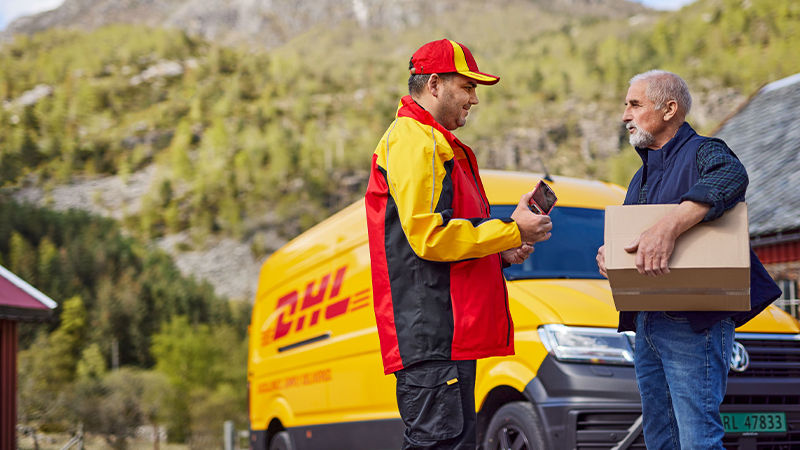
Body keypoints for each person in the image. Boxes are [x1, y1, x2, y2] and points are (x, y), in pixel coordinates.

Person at [364, 38, 552, 449]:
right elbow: (430, 237)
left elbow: (444, 235)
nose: (475, 99)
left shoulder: (428, 140)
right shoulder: (416, 140)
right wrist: (512, 230)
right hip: (434, 334)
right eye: (467, 87)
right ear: (434, 84)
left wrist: (501, 250)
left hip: (442, 335)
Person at [596, 70, 781, 449]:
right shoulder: (638, 178)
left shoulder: (706, 151)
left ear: (669, 109)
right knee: (660, 438)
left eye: (634, 104)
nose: (625, 115)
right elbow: (634, 240)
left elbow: (731, 176)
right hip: (646, 321)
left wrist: (671, 226)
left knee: (698, 439)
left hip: (694, 322)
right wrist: (611, 256)